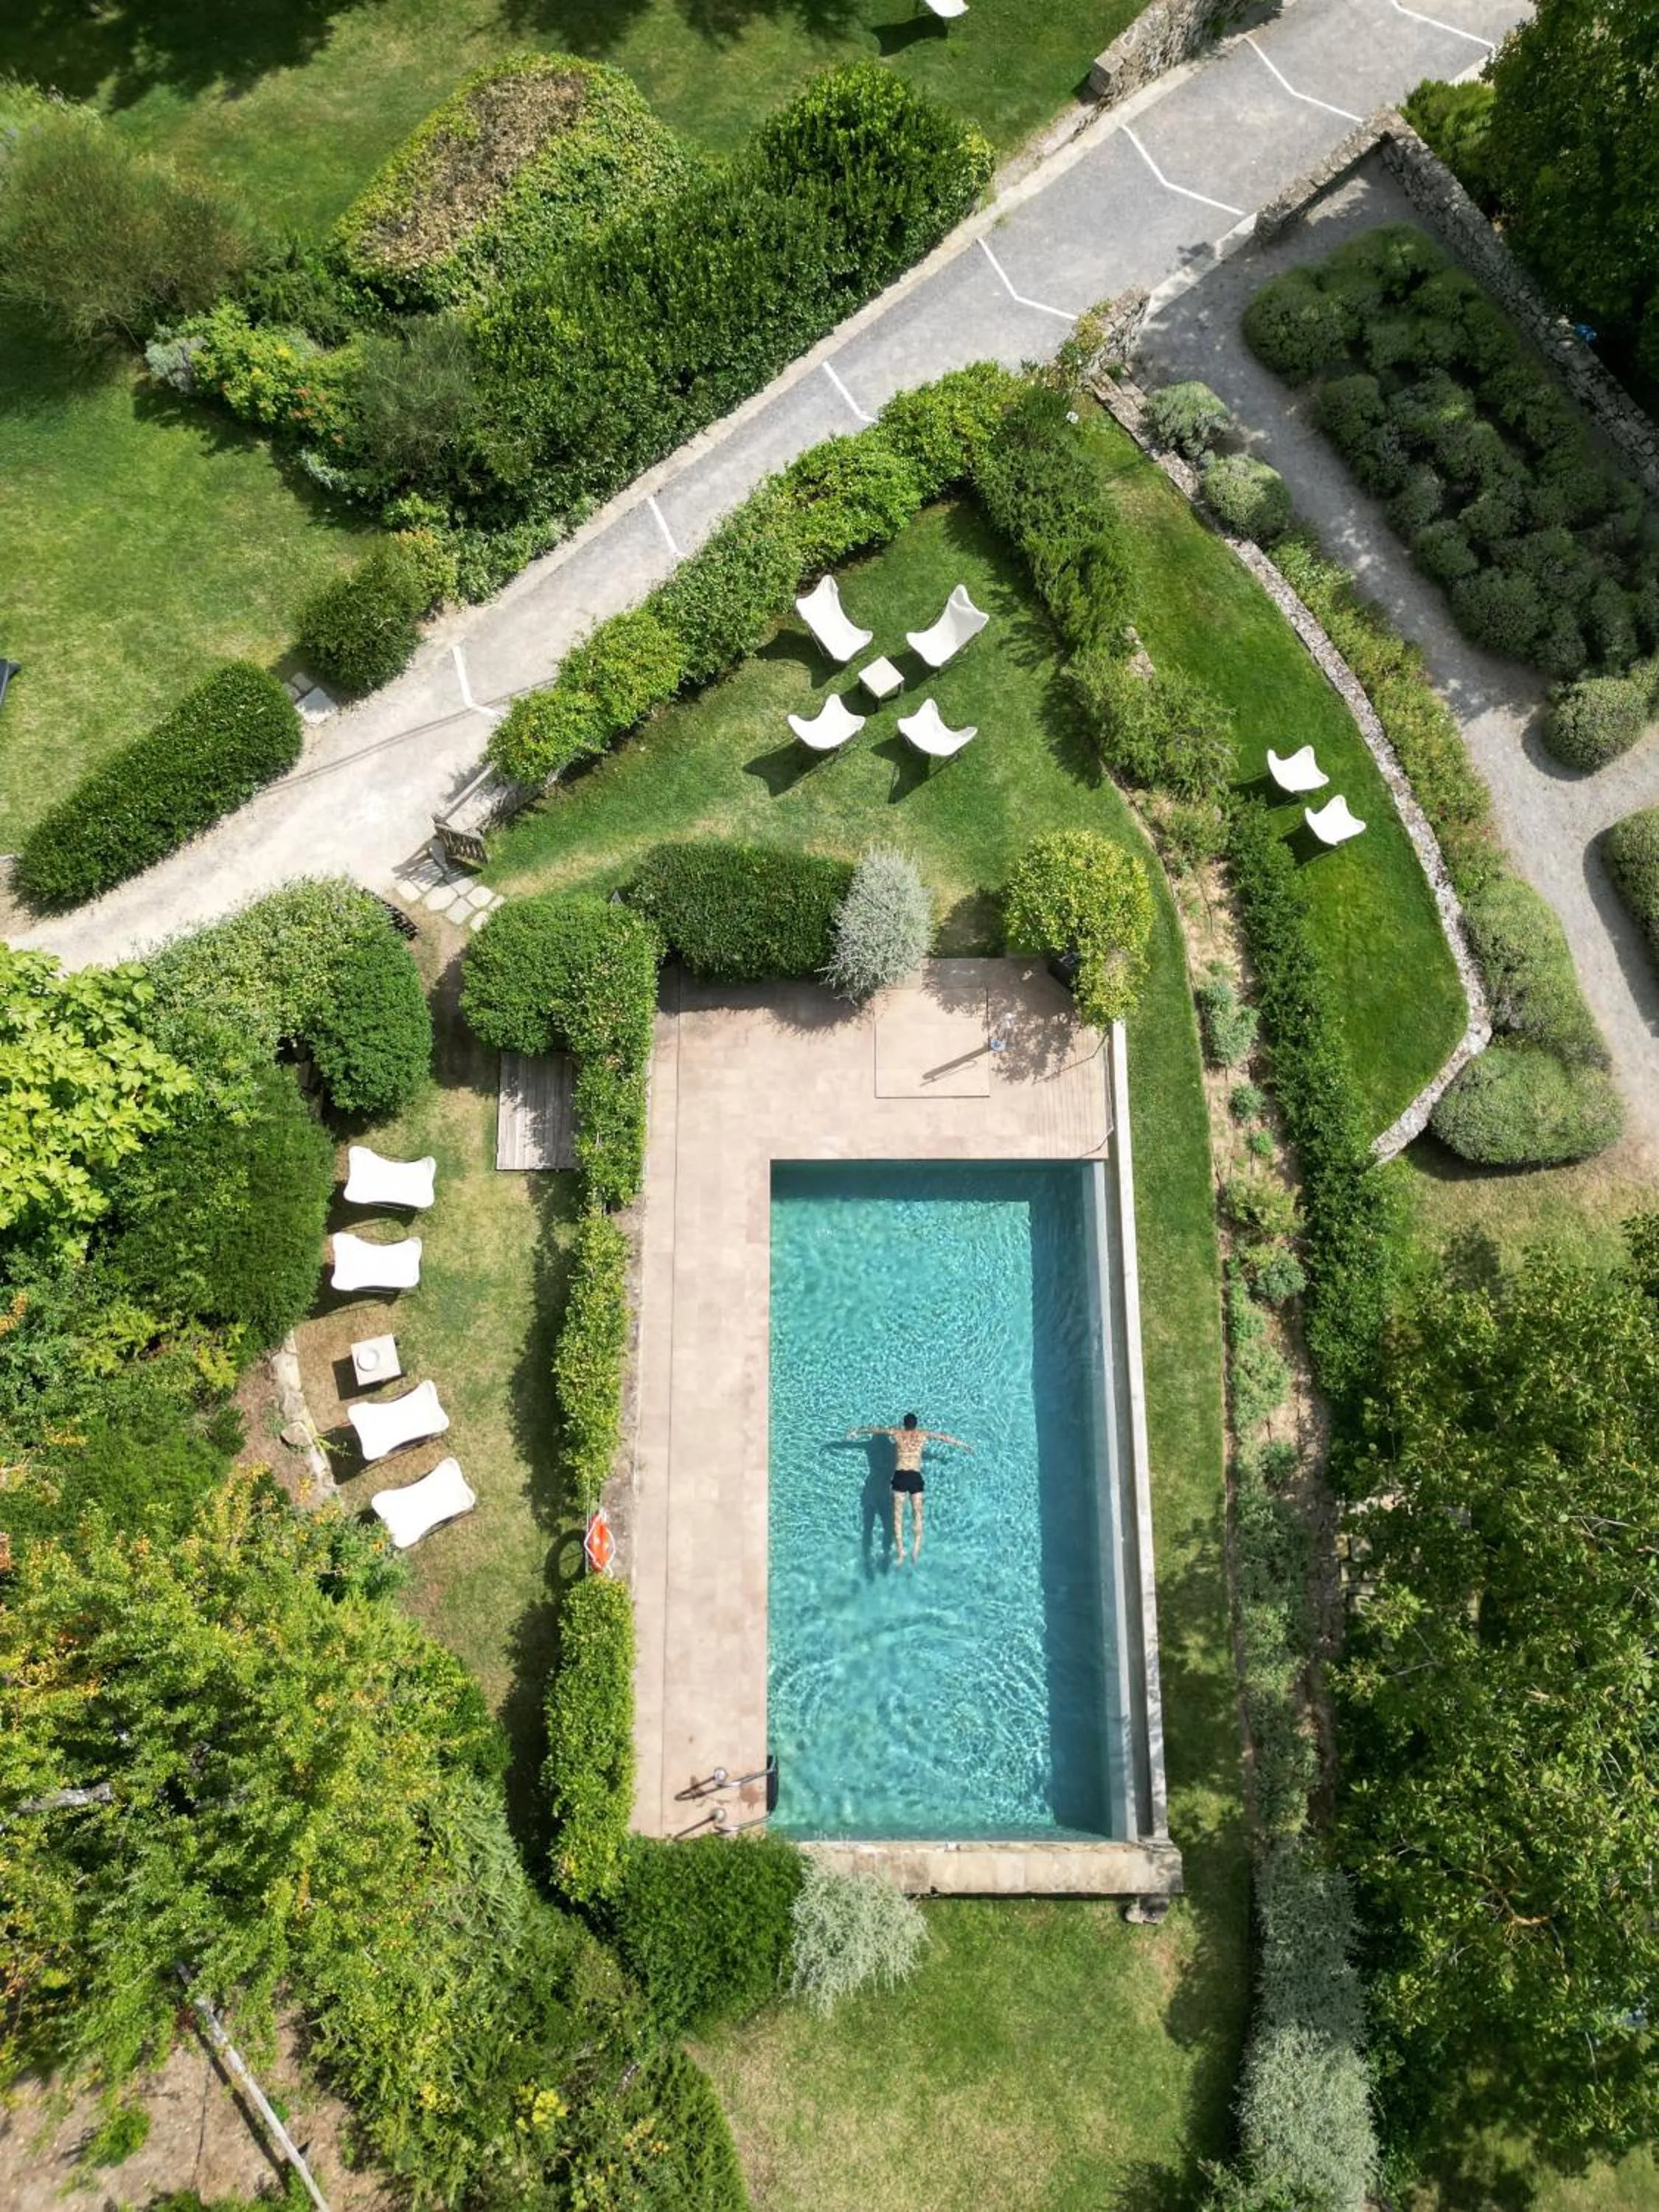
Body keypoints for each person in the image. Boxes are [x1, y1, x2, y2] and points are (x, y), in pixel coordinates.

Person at [847, 1411, 973, 1564]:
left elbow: (876, 1430)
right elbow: (944, 1438)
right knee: (917, 1514)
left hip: (899, 1476)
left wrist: (857, 1431)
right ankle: (915, 1550)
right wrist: (963, 1446)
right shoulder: (922, 1434)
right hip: (914, 1476)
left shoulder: (897, 1434)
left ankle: (900, 1553)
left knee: (897, 1516)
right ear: (916, 1424)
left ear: (904, 1424)